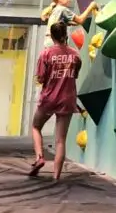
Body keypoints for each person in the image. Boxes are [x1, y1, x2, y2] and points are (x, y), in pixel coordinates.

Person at [29, 21, 82, 181]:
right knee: (60, 140)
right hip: (67, 98)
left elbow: (41, 77)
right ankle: (56, 177)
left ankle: (39, 157)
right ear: (66, 35)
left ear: (51, 36)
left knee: (36, 126)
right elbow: (75, 74)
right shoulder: (75, 55)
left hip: (49, 98)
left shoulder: (46, 54)